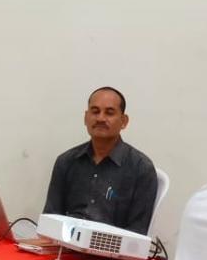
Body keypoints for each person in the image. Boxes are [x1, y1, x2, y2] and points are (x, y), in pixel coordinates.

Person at [43, 87, 159, 235]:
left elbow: (137, 232)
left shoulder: (141, 168)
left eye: (109, 113)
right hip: (64, 248)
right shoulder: (66, 161)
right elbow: (51, 218)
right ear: (86, 117)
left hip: (113, 253)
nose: (100, 118)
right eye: (95, 111)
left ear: (124, 121)